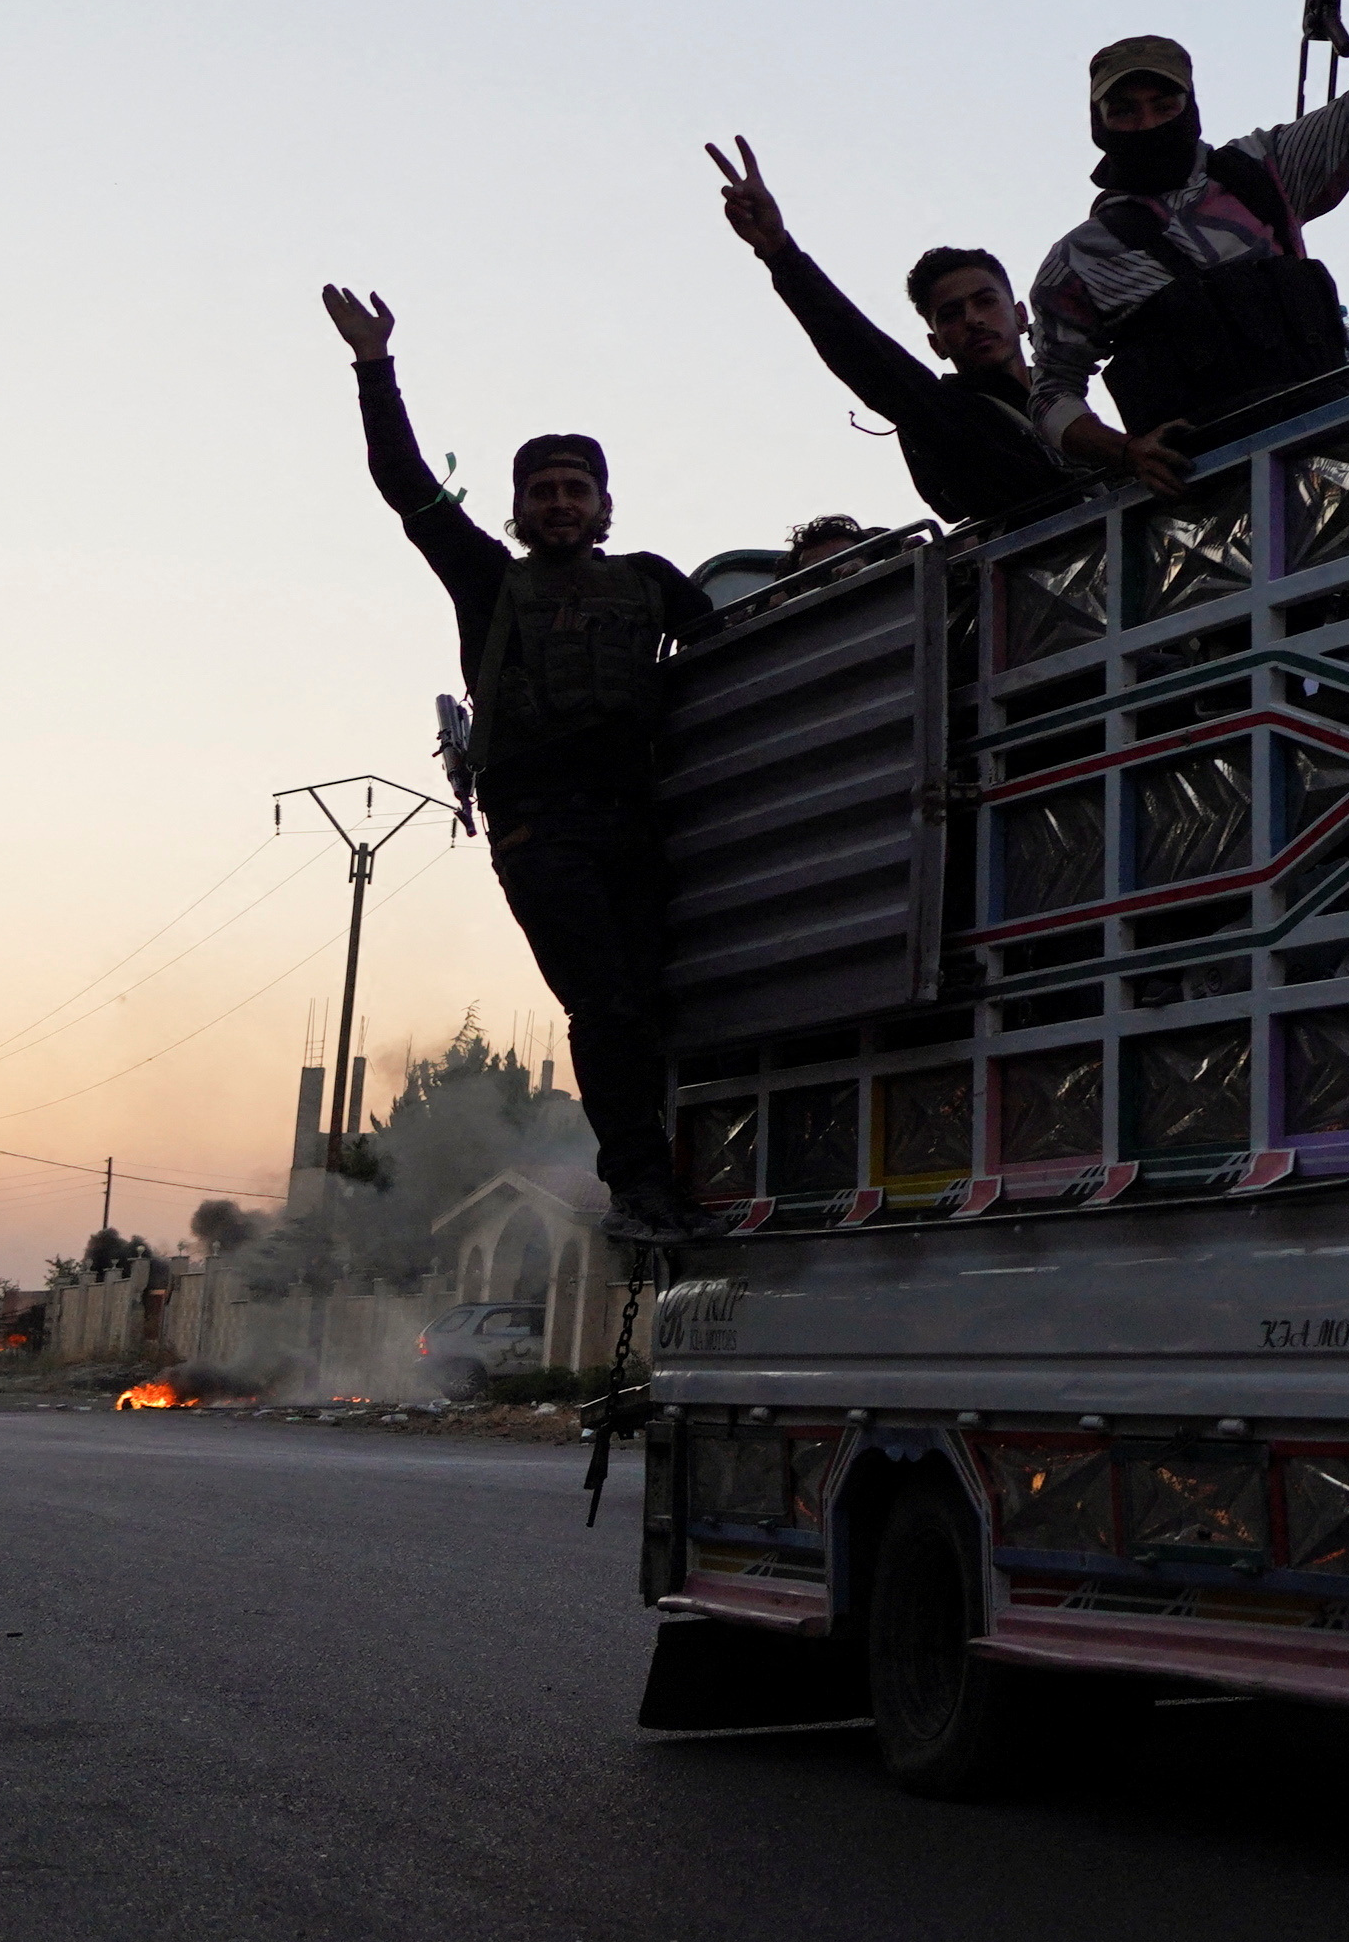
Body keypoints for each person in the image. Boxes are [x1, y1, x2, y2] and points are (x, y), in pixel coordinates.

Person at [318, 284, 719, 1241]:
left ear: (605, 504)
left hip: (640, 821)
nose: (560, 503)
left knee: (660, 1003)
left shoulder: (651, 583)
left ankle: (686, 1169)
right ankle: (639, 1189)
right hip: (543, 832)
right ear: (516, 509)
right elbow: (404, 481)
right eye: (543, 491)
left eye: (576, 489)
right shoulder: (488, 580)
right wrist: (374, 366)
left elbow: (742, 649)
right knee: (604, 1005)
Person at [1030, 0, 1349, 492]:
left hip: (1341, 454)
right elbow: (1051, 395)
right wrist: (1125, 453)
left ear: (1190, 106)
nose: (1147, 123)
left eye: (1164, 104)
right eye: (1124, 111)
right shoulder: (1078, 260)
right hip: (1209, 500)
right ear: (1098, 125)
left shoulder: (1260, 167)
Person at [704, 142, 1075, 527]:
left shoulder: (1067, 396)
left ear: (1021, 316)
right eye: (950, 314)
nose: (973, 319)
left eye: (985, 302)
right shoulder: (948, 416)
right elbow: (865, 355)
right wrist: (781, 254)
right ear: (936, 344)